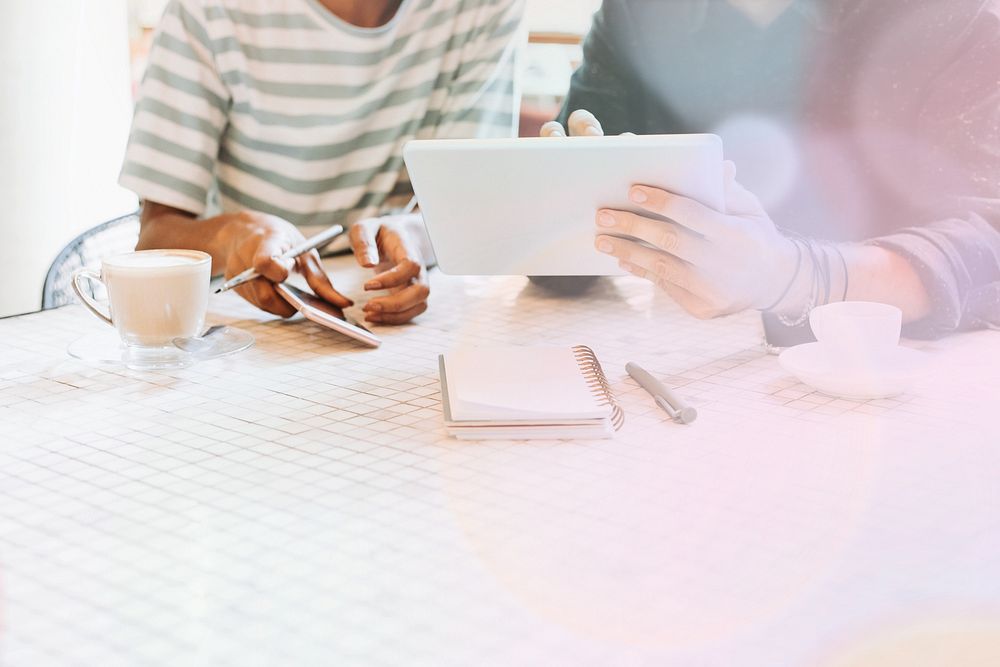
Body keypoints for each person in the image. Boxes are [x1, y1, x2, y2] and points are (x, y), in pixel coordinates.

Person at [542, 0, 1000, 339]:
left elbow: (987, 239)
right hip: (679, 370)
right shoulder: (638, 13)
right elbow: (558, 247)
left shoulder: (953, 17)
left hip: (892, 376)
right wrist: (550, 207)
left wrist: (794, 276)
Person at [121, 0, 523, 324]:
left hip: (396, 311)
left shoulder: (485, 9)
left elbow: (468, 206)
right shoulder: (206, 11)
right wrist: (232, 236)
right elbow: (155, 237)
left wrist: (419, 234)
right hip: (240, 319)